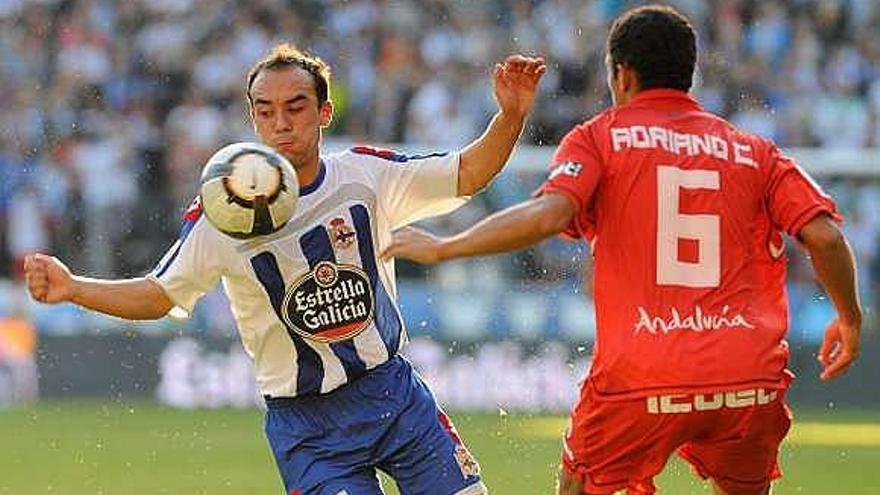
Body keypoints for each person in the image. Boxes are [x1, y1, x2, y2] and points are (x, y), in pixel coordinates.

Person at [24, 43, 546, 495]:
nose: (280, 123)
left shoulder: (363, 176)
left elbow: (470, 172)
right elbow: (161, 294)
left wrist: (511, 116)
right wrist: (74, 288)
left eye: (295, 107)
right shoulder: (221, 211)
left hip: (393, 393)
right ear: (252, 118)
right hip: (308, 425)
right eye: (265, 110)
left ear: (323, 113)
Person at [381, 5, 862, 495]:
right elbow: (824, 236)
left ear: (622, 73)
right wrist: (850, 319)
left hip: (642, 372)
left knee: (578, 487)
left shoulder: (600, 138)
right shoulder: (755, 150)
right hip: (746, 373)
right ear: (688, 73)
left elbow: (549, 216)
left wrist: (447, 247)